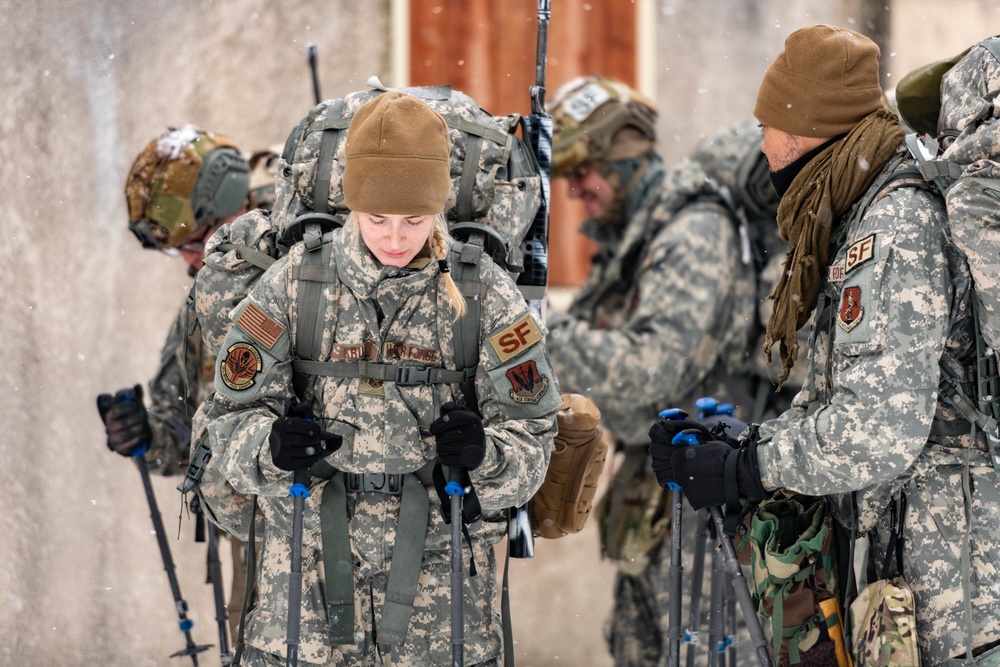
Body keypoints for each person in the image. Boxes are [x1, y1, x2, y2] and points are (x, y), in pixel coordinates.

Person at [650, 25, 1000, 665]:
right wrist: (746, 443)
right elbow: (843, 398)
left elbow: (877, 430)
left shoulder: (894, 225)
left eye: (767, 127)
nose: (761, 146)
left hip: (951, 594)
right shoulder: (858, 207)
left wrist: (750, 469)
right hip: (913, 575)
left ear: (805, 130)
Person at [197, 91, 560, 666]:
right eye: (377, 219)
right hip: (304, 583)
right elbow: (227, 418)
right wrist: (270, 446)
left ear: (438, 208)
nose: (395, 238)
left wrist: (483, 454)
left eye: (415, 220)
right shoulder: (295, 284)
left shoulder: (483, 292)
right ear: (352, 203)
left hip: (440, 598)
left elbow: (533, 436)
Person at [543, 76, 791, 667]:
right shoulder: (631, 244)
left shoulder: (692, 233)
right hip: (658, 505)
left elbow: (650, 371)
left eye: (586, 170)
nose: (575, 189)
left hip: (710, 509)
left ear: (626, 159)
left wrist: (538, 333)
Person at [96, 124, 254, 640]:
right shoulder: (206, 296)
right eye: (177, 250)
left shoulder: (328, 255)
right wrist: (145, 434)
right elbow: (183, 424)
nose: (188, 260)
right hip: (257, 547)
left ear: (233, 209)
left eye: (192, 242)